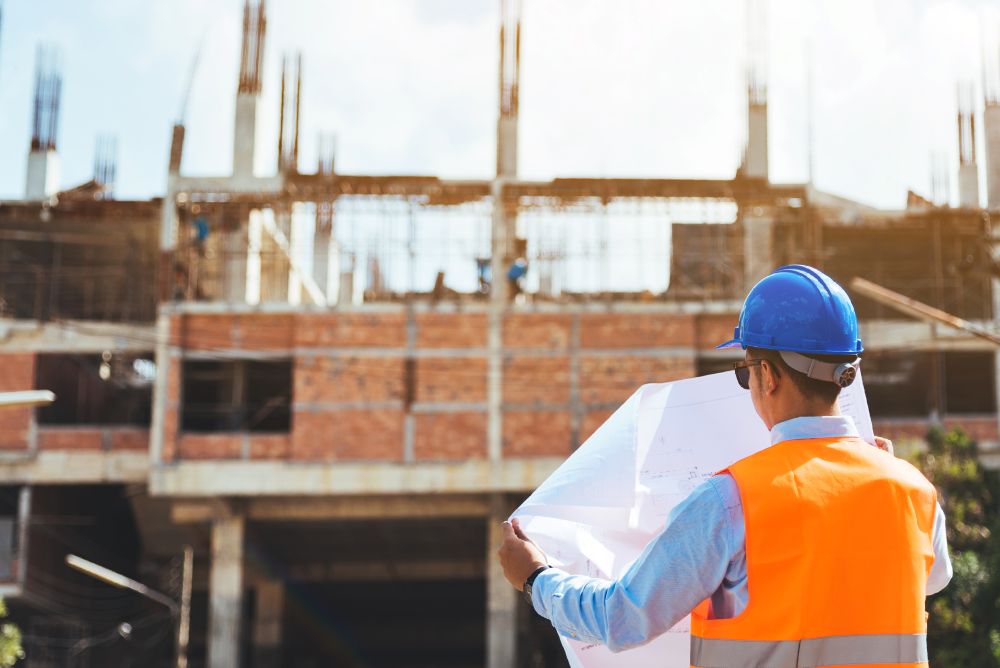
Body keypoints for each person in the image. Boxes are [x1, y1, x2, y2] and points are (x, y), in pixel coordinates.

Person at [497, 264, 952, 666]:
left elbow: (623, 618)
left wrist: (536, 578)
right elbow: (931, 581)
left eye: (744, 371)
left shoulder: (732, 500)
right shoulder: (914, 491)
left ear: (767, 376)